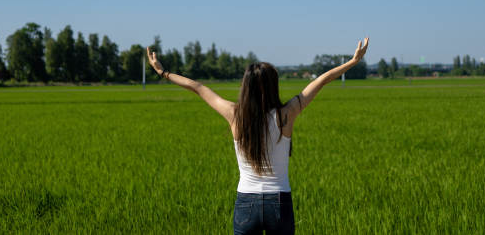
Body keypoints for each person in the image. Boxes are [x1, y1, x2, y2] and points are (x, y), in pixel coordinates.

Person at [146, 37, 369, 235]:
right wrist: (352, 62)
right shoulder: (286, 114)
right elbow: (320, 81)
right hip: (279, 203)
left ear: (246, 87)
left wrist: (163, 72)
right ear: (274, 86)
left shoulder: (235, 115)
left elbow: (198, 87)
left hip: (246, 203)